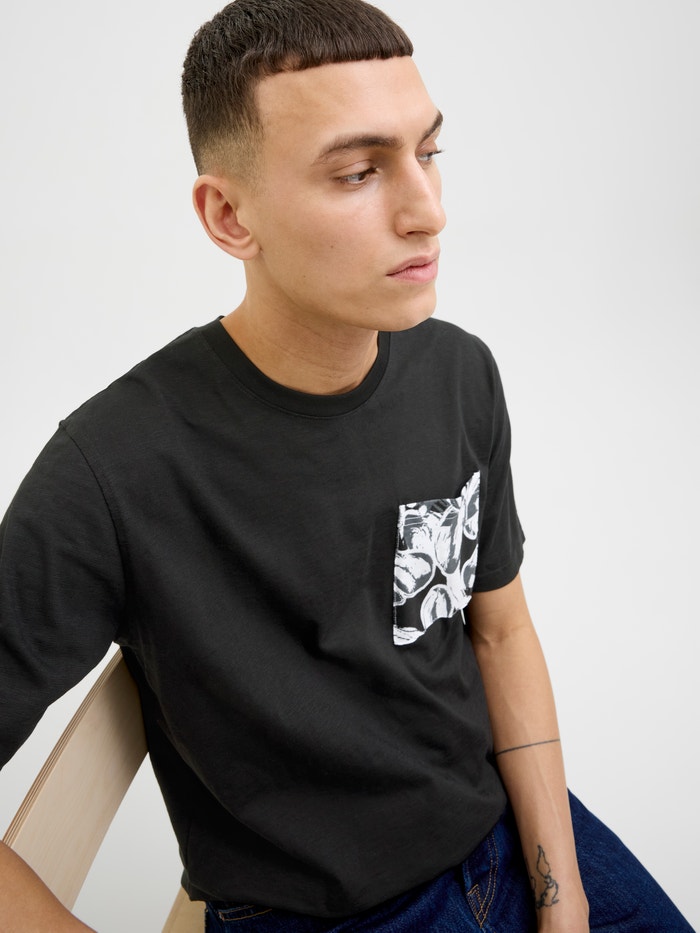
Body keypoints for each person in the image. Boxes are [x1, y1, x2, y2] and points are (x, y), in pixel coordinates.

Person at [0, 1, 694, 931]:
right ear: (229, 215)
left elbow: (499, 633)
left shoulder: (459, 374)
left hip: (510, 835)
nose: (428, 210)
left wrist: (560, 893)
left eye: (429, 152)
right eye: (360, 171)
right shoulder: (111, 469)